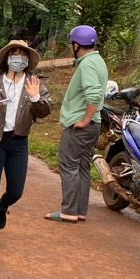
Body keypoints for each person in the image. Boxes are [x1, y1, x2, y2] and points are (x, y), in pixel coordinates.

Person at [0, 40, 52, 247]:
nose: (19, 58)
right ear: (7, 58)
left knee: (16, 190)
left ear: (28, 60)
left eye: (23, 55)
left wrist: (36, 98)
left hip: (19, 142)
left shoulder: (34, 84)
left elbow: (45, 112)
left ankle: (2, 207)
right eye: (15, 54)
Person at [48, 24, 109, 223]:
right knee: (82, 167)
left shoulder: (87, 64)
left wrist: (84, 120)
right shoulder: (97, 60)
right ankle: (79, 211)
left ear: (76, 45)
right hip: (94, 125)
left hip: (80, 126)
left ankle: (68, 211)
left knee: (68, 166)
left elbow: (93, 93)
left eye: (70, 44)